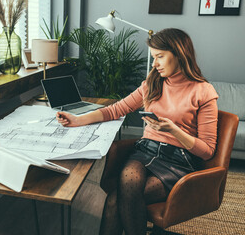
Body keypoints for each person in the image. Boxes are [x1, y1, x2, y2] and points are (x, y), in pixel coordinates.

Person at [56, 28, 218, 235]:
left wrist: (174, 131)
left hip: (178, 160)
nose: (154, 64)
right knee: (128, 178)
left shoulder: (203, 91)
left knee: (115, 200)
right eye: (153, 57)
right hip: (146, 151)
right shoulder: (152, 84)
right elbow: (116, 109)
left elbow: (207, 151)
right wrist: (77, 120)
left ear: (179, 54)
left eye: (160, 57)